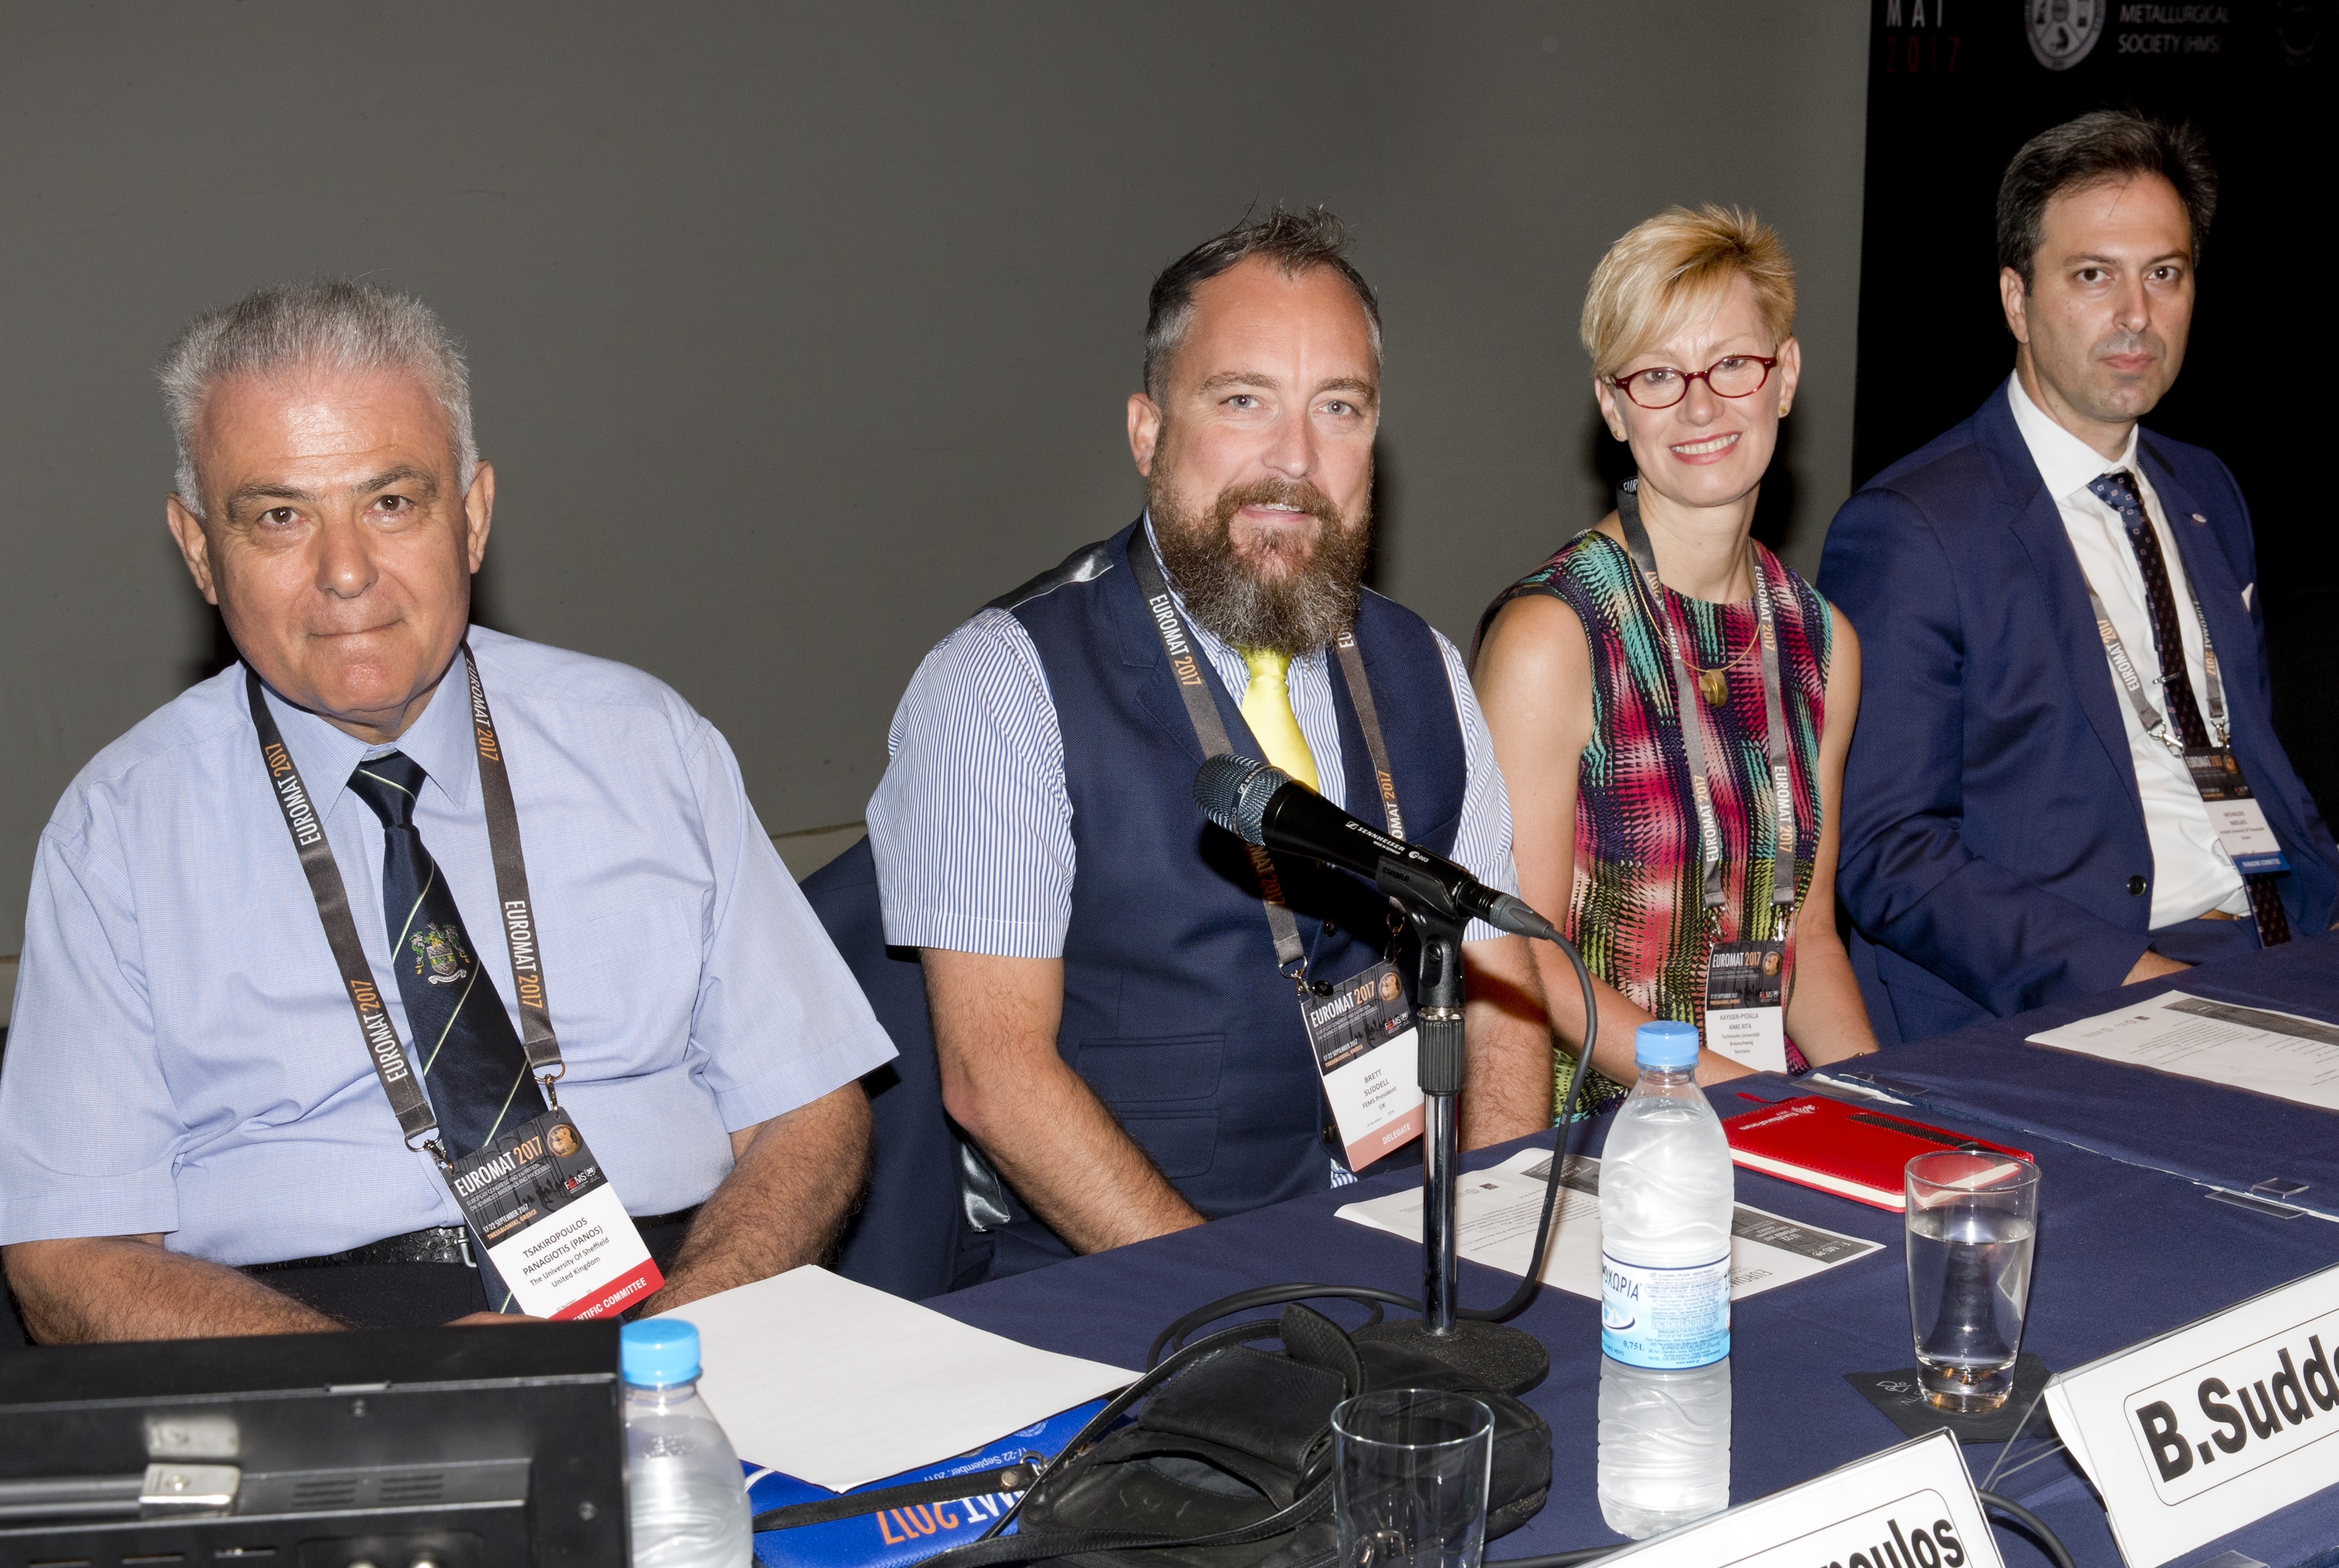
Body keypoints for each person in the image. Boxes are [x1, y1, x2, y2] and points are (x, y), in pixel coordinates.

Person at [0, 283, 890, 1341]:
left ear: (471, 516)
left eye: (391, 502)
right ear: (200, 550)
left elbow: (807, 1109)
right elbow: (66, 1258)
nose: (344, 572)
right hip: (307, 1339)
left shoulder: (646, 742)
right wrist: (387, 1394)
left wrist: (667, 1348)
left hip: (681, 1293)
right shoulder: (120, 832)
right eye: (279, 516)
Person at [867, 209, 1548, 1270]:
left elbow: (1501, 996)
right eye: (1242, 402)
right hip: (1127, 1302)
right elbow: (995, 1077)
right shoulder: (1001, 683)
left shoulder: (1426, 668)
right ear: (1147, 432)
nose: (1293, 458)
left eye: (1338, 407)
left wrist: (1494, 1249)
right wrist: (1241, 1319)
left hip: (1399, 1271)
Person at [1825, 112, 2339, 1037]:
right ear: (2015, 300)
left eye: (2164, 274)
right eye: (2093, 277)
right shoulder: (1913, 528)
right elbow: (1889, 855)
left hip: (2270, 943)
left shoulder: (2203, 486)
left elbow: (2255, 770)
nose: (2136, 315)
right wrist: (2143, 983)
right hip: (2083, 981)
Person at [1476, 206, 1878, 1102]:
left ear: (1785, 379)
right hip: (1594, 1132)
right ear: (1613, 408)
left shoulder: (1824, 644)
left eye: (1733, 364)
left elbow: (1808, 936)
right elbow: (1524, 956)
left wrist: (1870, 1099)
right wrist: (1750, 1096)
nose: (1700, 405)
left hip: (1765, 1108)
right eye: (1658, 375)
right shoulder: (1554, 636)